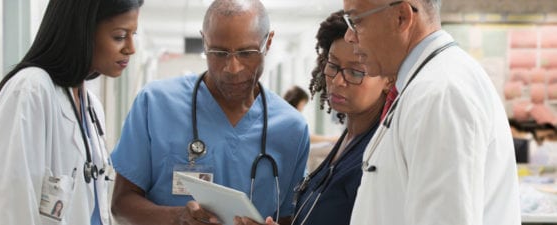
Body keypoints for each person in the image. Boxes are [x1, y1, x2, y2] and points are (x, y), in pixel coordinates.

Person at [109, 0, 310, 225]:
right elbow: (121, 203)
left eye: (246, 53)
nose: (232, 68)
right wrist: (177, 218)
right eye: (219, 52)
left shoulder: (292, 128)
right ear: (204, 42)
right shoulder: (154, 104)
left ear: (268, 42)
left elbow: (289, 217)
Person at [342, 0, 521, 224]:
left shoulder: (441, 93)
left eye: (356, 21)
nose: (349, 36)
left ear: (401, 17)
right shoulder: (426, 83)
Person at [0, 0, 142, 225]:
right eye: (120, 36)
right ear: (82, 30)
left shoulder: (91, 106)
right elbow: (6, 205)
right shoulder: (30, 90)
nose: (131, 48)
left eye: (133, 34)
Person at [235, 10, 393, 225]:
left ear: (389, 80)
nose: (337, 81)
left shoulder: (382, 154)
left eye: (355, 72)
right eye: (333, 66)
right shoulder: (348, 140)